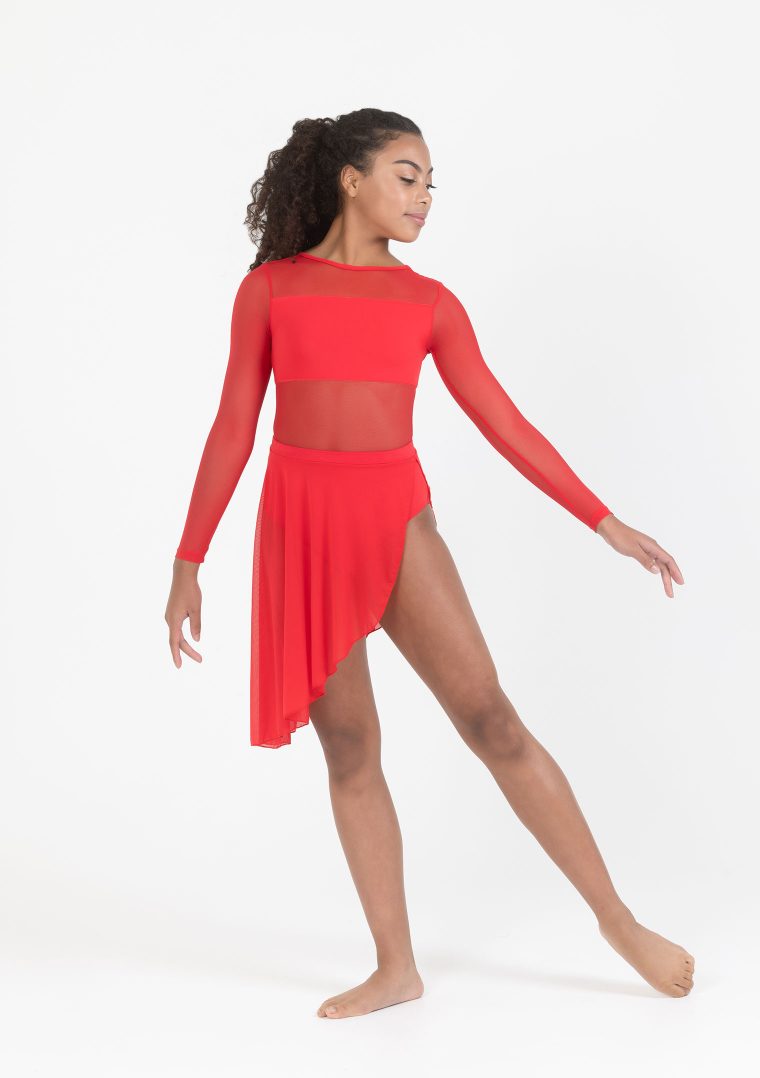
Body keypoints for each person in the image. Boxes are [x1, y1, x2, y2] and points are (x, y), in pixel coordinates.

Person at [165, 108, 694, 1019]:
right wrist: (188, 558)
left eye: (431, 185)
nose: (424, 197)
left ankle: (618, 920)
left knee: (492, 720)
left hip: (394, 522)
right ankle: (396, 967)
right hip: (301, 527)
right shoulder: (270, 291)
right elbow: (233, 427)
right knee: (350, 747)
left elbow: (503, 421)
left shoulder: (430, 303)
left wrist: (602, 520)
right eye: (407, 177)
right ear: (351, 180)